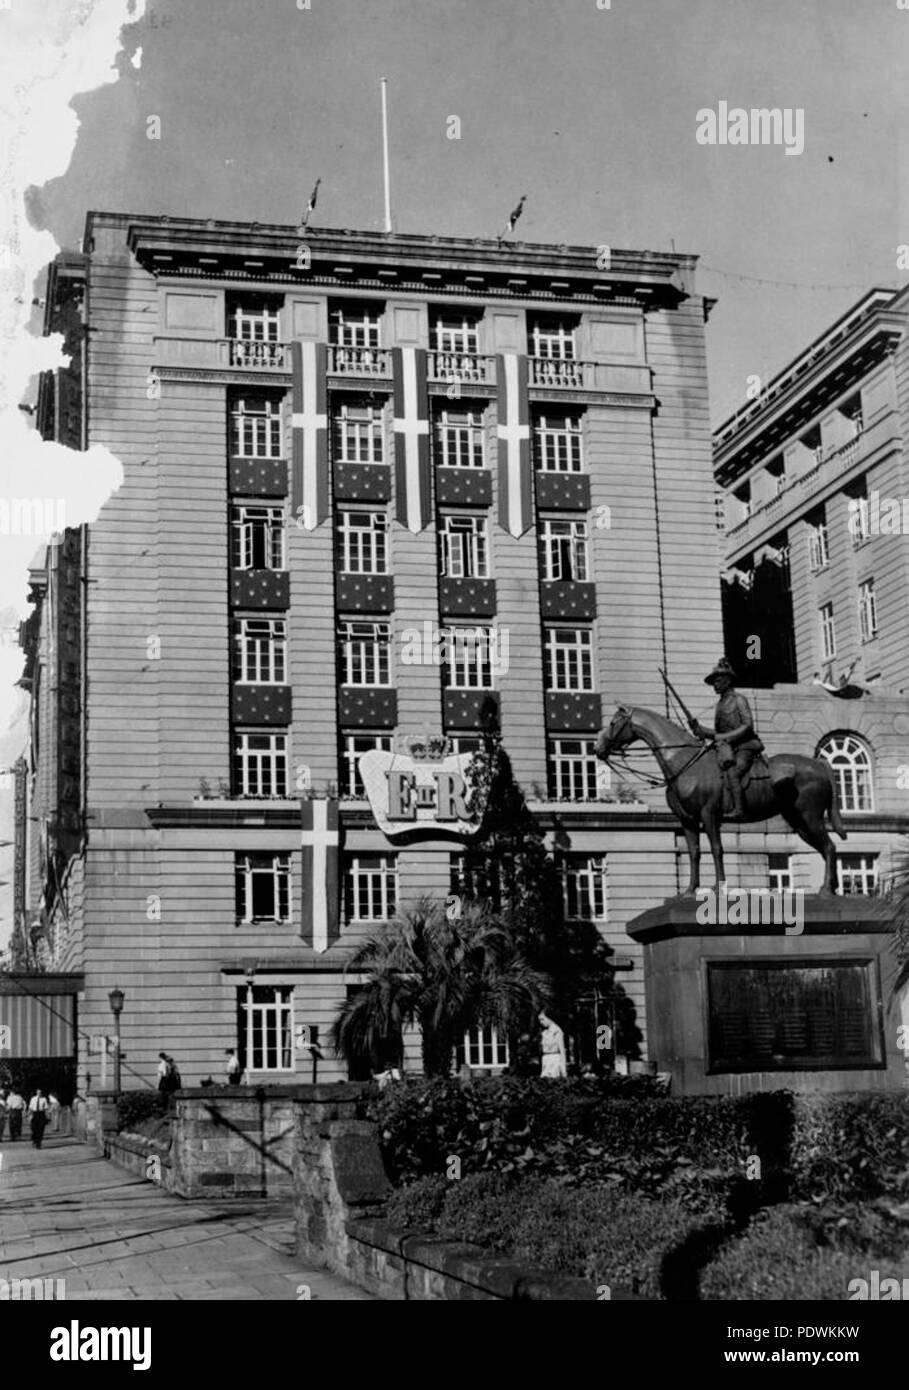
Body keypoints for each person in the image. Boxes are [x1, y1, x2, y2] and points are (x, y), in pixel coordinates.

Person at [690, 657, 765, 820]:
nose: (715, 685)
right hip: (728, 748)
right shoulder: (720, 704)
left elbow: (747, 725)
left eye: (718, 681)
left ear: (727, 681)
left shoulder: (739, 699)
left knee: (733, 772)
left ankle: (739, 809)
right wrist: (700, 730)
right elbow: (717, 732)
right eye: (714, 682)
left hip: (745, 746)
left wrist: (722, 737)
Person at [539, 1013, 567, 1080]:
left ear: (549, 1018)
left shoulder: (557, 1031)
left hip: (554, 1061)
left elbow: (562, 1051)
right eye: (540, 1020)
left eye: (543, 1019)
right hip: (546, 1061)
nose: (541, 1022)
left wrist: (563, 1069)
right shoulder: (544, 1032)